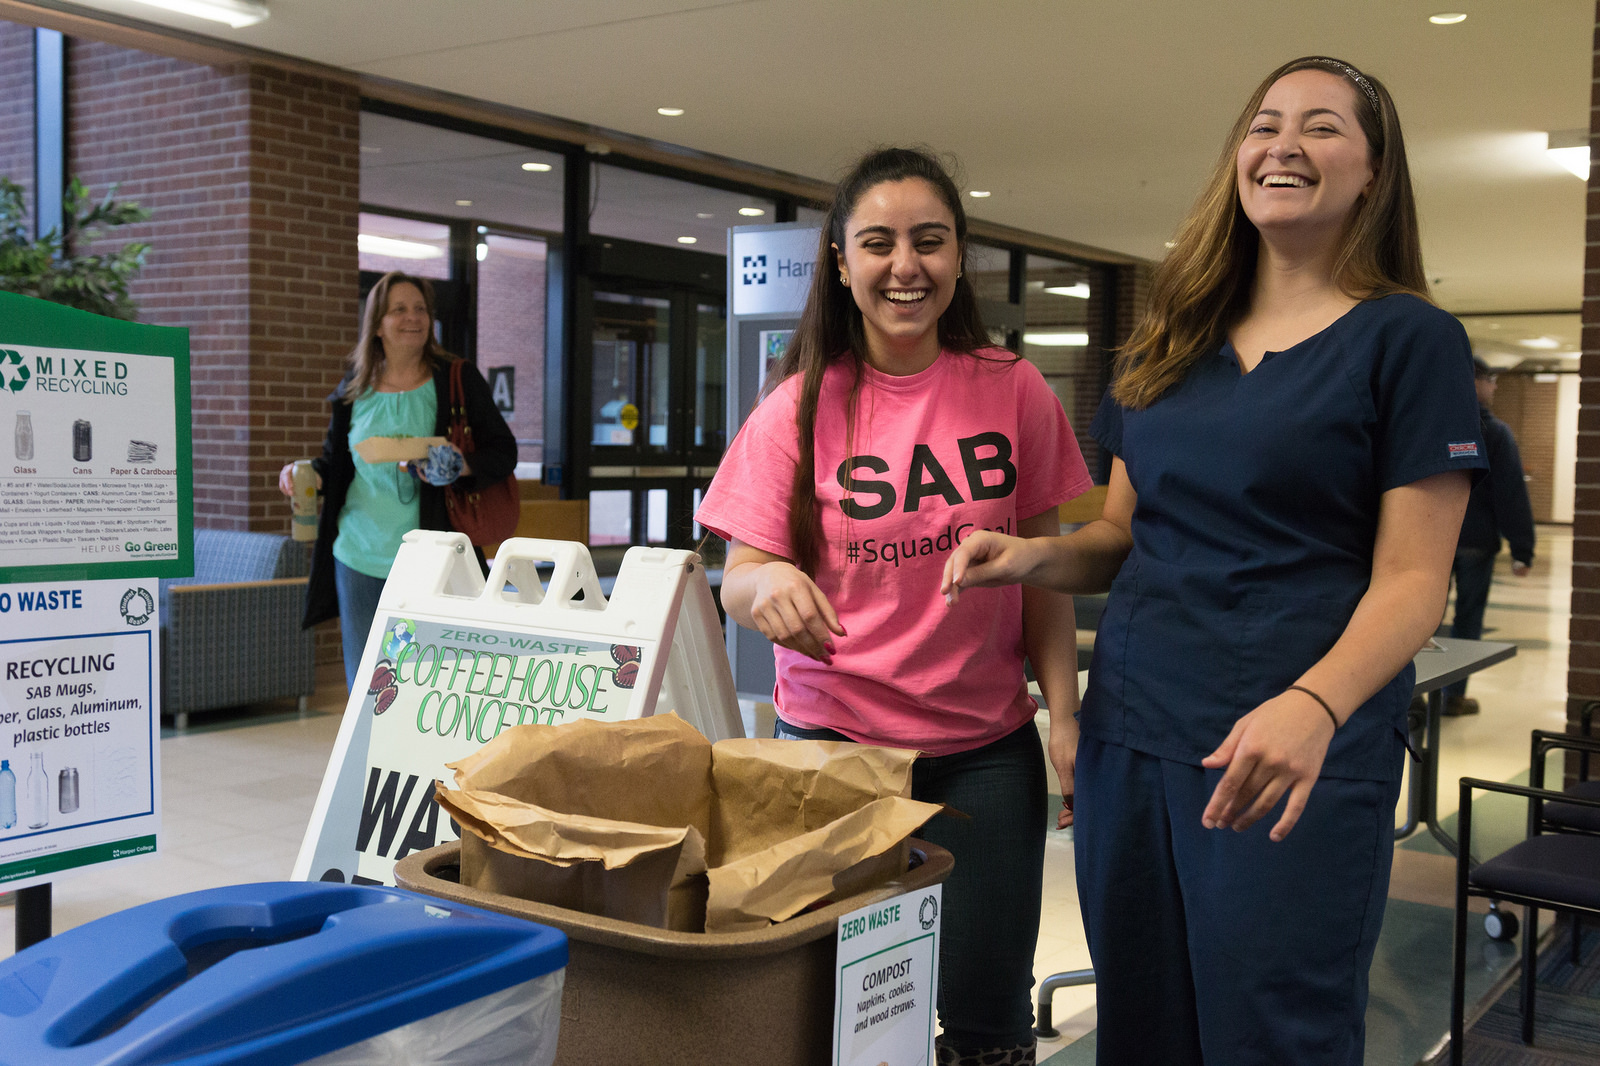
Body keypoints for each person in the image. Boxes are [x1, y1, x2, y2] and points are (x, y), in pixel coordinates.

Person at [943, 57, 1485, 1065]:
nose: (1283, 144)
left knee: (1268, 1030)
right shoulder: (1172, 341)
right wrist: (1031, 556)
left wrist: (1315, 705)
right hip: (1134, 733)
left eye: (1321, 128)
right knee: (1141, 1023)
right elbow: (1118, 537)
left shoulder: (1407, 340)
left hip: (1290, 747)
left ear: (1373, 172)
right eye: (1264, 124)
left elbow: (1415, 579)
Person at [697, 147, 1090, 1066]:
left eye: (929, 241)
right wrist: (770, 587)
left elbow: (1042, 571)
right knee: (848, 1010)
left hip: (984, 753)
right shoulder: (796, 406)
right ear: (841, 262)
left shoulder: (1013, 389)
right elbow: (738, 575)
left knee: (989, 1015)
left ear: (959, 258)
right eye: (878, 243)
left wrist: (1064, 717)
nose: (905, 265)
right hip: (836, 752)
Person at [281, 271, 516, 691]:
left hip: (433, 557)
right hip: (357, 556)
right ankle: (369, 758)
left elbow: (503, 452)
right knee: (369, 686)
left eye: (421, 309)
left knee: (430, 683)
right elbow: (335, 462)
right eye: (399, 310)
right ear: (376, 324)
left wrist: (461, 464)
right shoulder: (355, 388)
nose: (413, 318)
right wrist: (306, 474)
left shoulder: (455, 378)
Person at [1441, 356, 1536, 715]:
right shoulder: (1495, 433)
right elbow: (1509, 493)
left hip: (1433, 537)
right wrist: (1522, 549)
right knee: (1468, 617)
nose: (1495, 387)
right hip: (1475, 542)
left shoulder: (1435, 425)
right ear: (1476, 381)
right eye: (1492, 380)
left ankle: (1414, 694)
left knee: (1423, 617)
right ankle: (1453, 697)